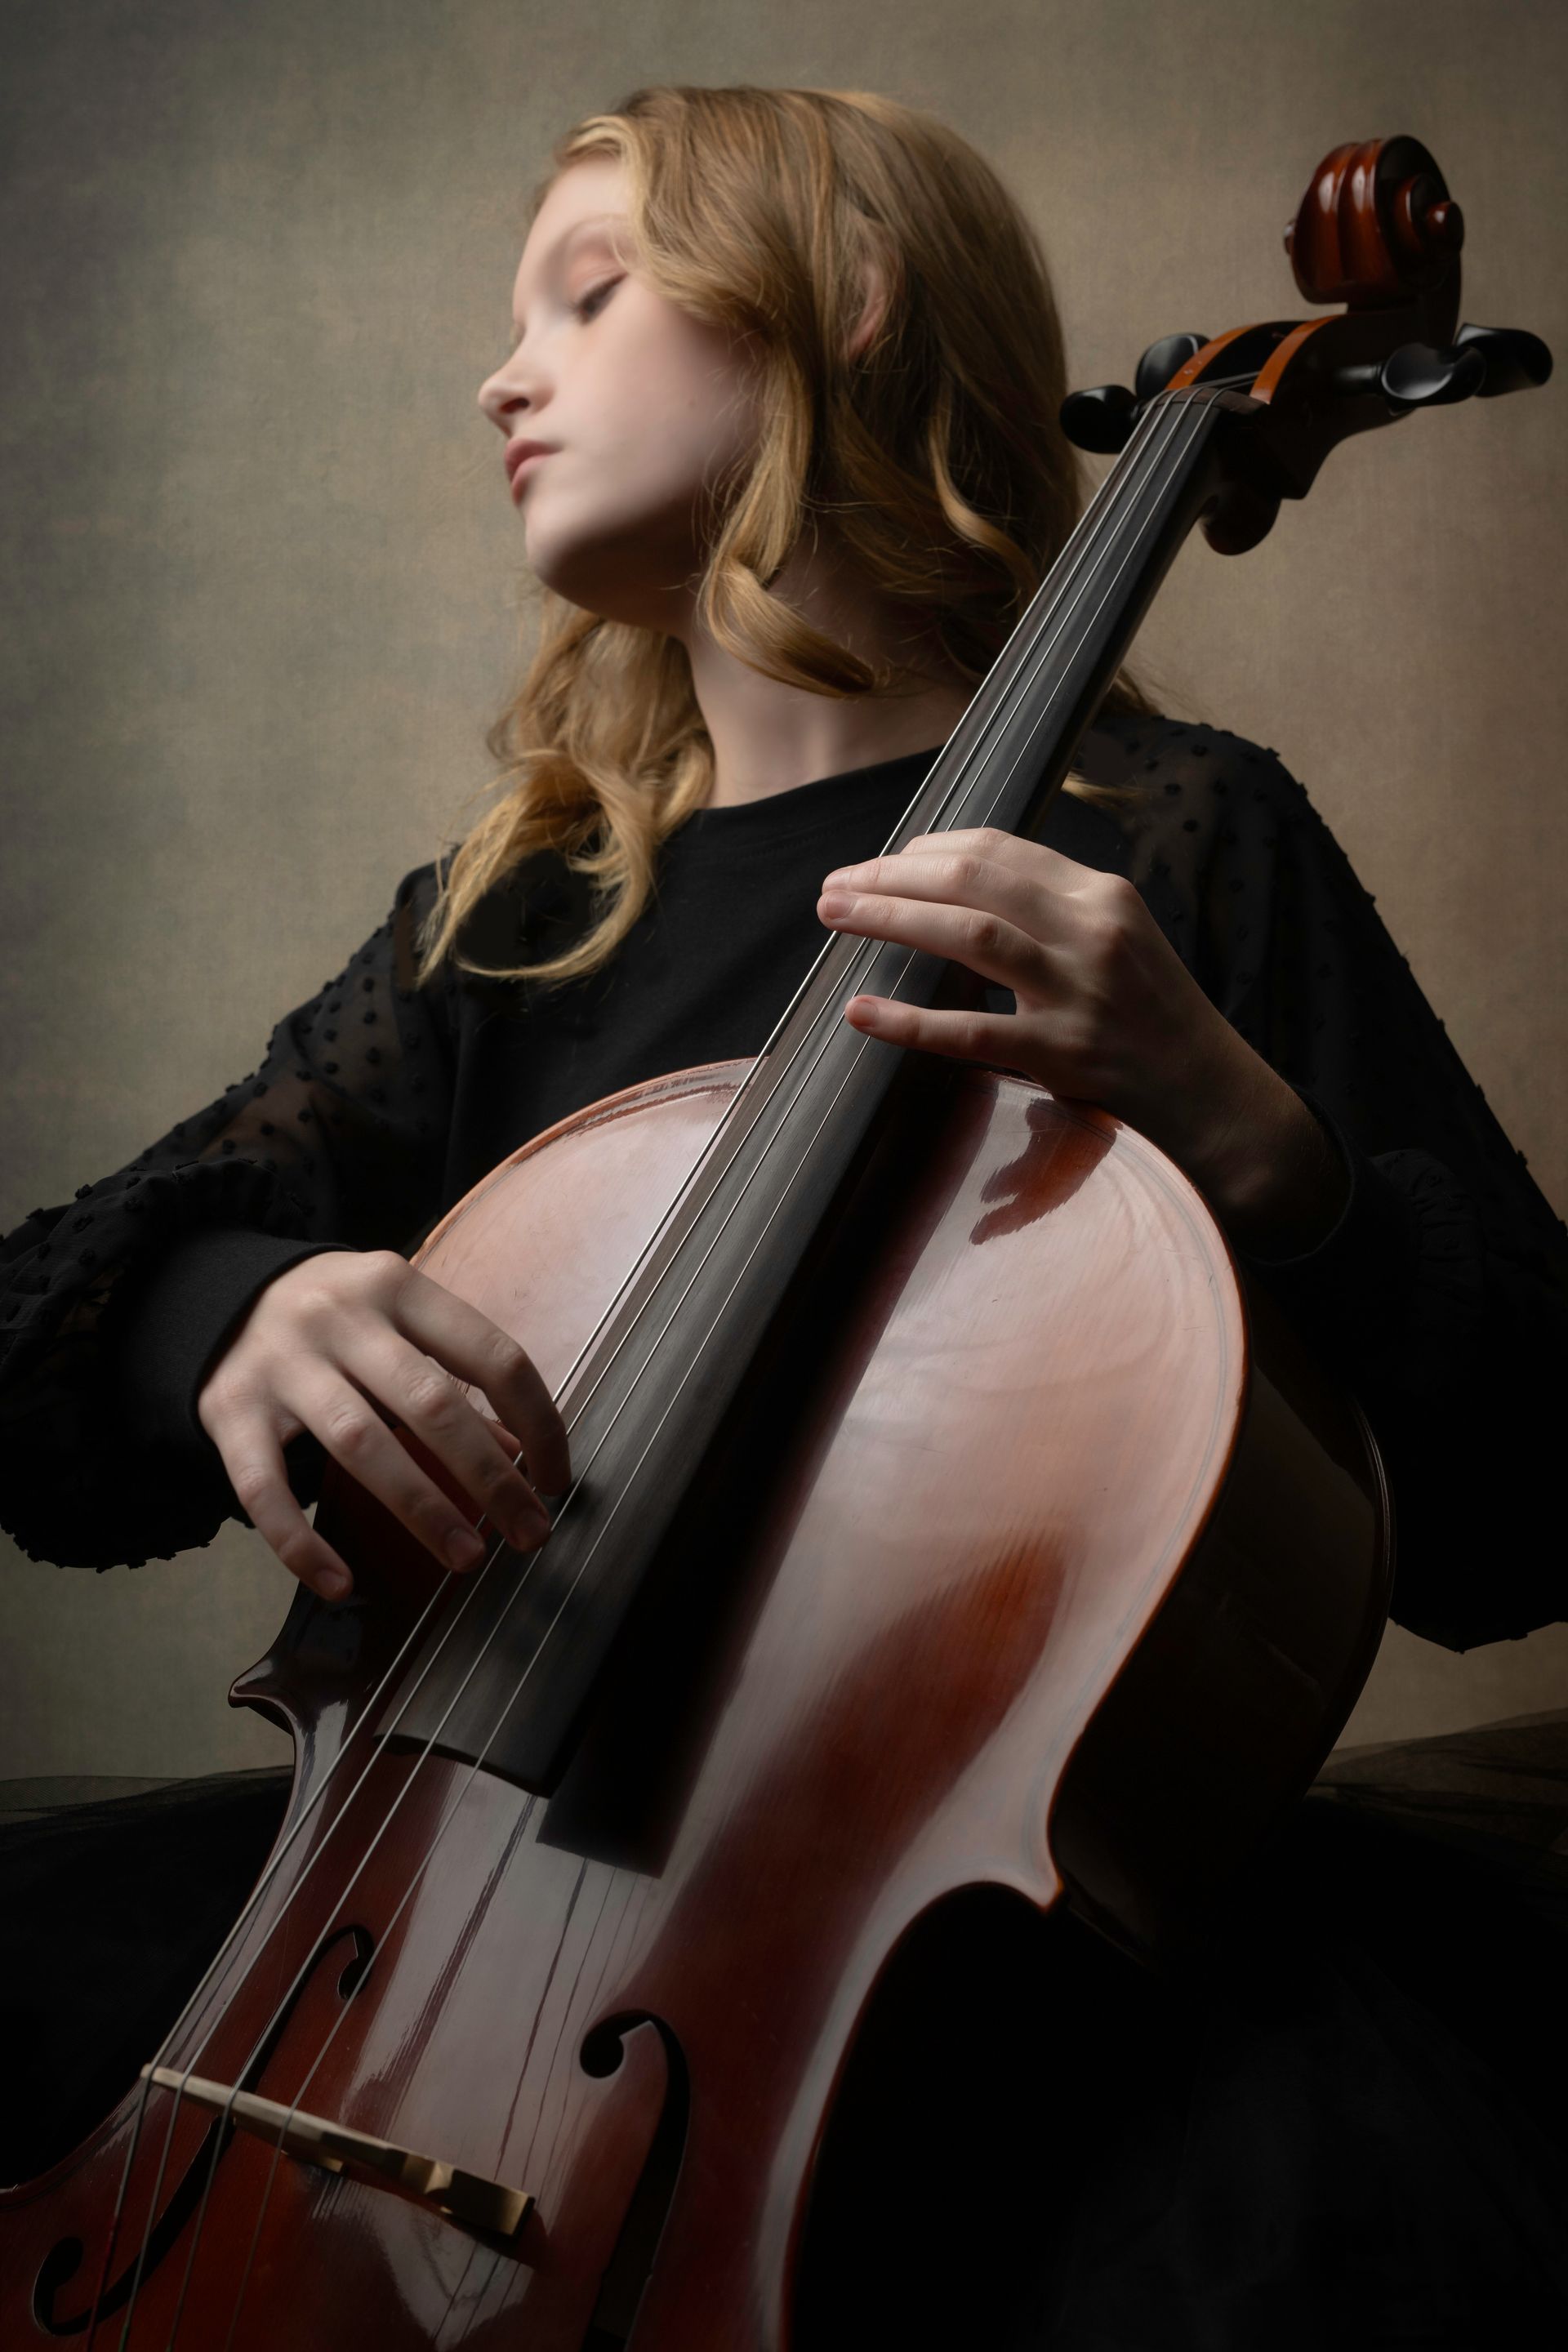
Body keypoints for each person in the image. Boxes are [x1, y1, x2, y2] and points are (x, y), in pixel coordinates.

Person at [2, 82, 1565, 2345]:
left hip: (963, 1977)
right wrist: (240, 1312)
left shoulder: (1170, 849)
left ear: (837, 301)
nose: (500, 372)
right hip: (416, 1924)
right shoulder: (511, 922)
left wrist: (1251, 1135)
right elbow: (32, 1367)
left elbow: (1535, 1511)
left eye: (592, 290)